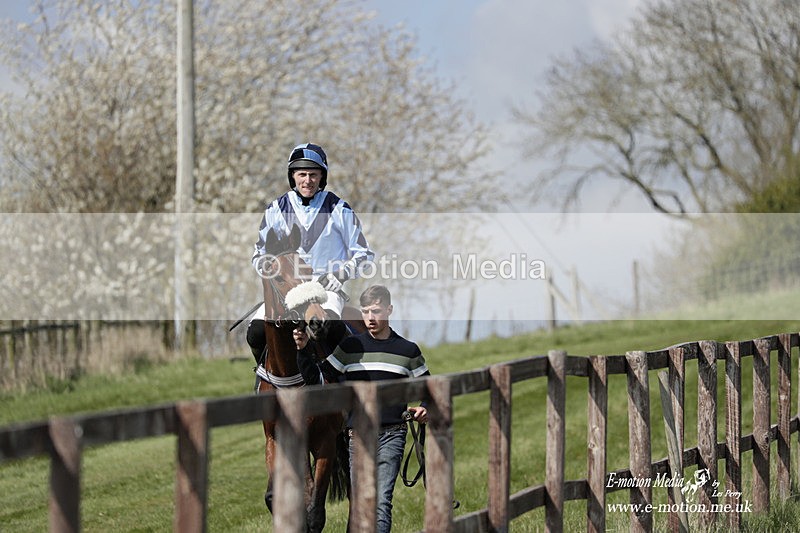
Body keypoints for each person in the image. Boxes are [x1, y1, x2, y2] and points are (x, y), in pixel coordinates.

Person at [293, 284, 429, 533]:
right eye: (365, 311)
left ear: (389, 310)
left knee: (380, 503)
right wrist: (303, 351)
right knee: (361, 504)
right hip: (358, 437)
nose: (370, 317)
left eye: (376, 311)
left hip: (392, 435)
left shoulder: (408, 350)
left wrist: (424, 408)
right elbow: (318, 379)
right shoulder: (350, 348)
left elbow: (429, 389)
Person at [247, 142, 374, 363]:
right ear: (293, 176)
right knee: (255, 333)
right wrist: (274, 272)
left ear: (322, 177)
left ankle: (341, 376)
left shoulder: (340, 209)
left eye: (313, 174)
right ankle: (262, 376)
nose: (308, 180)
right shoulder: (275, 209)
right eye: (302, 174)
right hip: (286, 290)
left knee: (330, 329)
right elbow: (258, 255)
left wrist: (340, 274)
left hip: (325, 289)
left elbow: (364, 255)